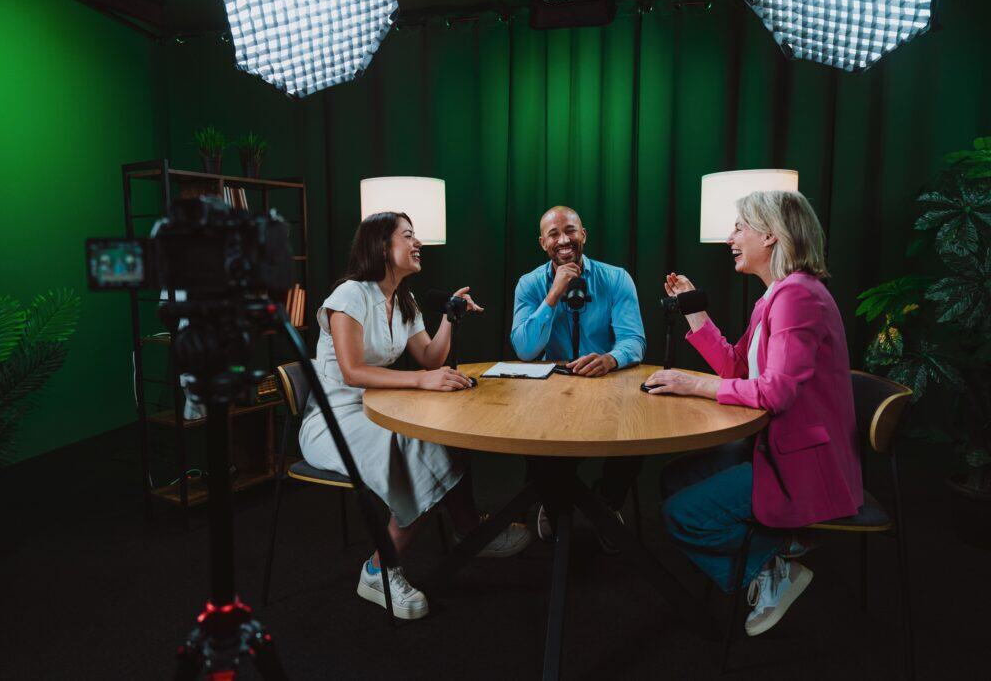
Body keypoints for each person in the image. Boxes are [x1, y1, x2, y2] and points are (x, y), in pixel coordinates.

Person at [645, 190, 862, 637]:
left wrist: (693, 384)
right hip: (774, 446)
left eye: (740, 227)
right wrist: (694, 312)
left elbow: (776, 392)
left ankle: (771, 566)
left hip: (805, 465)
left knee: (680, 515)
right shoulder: (776, 297)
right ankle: (776, 548)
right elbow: (735, 368)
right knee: (674, 479)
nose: (731, 238)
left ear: (771, 234)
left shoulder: (798, 297)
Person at [300, 211, 532, 621]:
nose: (417, 243)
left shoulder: (402, 300)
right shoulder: (350, 295)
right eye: (407, 236)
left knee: (445, 430)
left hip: (381, 407)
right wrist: (422, 383)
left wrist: (449, 317)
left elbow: (430, 356)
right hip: (334, 419)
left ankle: (469, 532)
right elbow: (353, 372)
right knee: (419, 445)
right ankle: (378, 569)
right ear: (381, 247)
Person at [511, 206, 646, 551]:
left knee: (637, 434)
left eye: (570, 231)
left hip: (606, 383)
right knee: (536, 443)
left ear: (583, 235)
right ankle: (555, 508)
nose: (563, 239)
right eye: (554, 234)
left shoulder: (616, 279)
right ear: (543, 243)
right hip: (550, 390)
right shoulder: (529, 284)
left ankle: (606, 504)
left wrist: (611, 358)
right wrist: (552, 295)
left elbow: (634, 339)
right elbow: (525, 349)